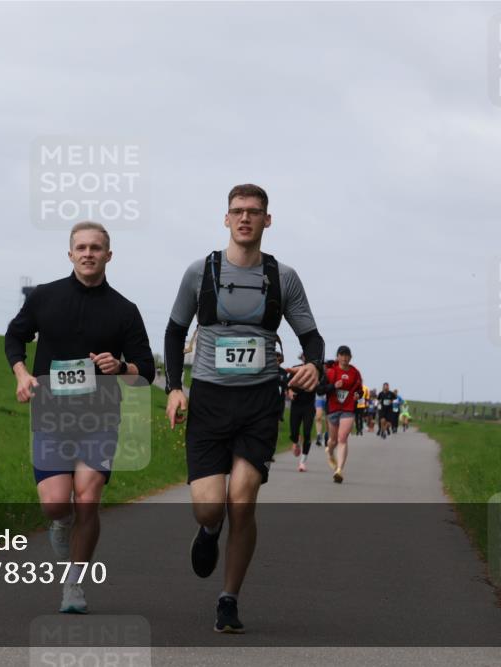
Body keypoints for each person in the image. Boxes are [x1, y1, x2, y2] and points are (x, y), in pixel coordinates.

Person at [163, 184, 324, 633]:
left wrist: (314, 365)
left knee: (242, 500)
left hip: (259, 402)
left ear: (267, 220)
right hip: (209, 401)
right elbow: (175, 332)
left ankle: (228, 599)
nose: (245, 218)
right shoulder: (200, 272)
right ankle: (209, 531)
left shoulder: (283, 277)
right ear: (226, 218)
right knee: (209, 508)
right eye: (237, 211)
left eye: (254, 212)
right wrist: (174, 388)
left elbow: (311, 336)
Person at [4, 221, 155, 614]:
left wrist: (120, 367)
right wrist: (21, 374)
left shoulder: (124, 310)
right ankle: (60, 523)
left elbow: (146, 371)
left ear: (109, 255)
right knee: (57, 505)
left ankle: (74, 584)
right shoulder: (45, 297)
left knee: (88, 499)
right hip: (51, 416)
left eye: (96, 248)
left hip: (99, 419)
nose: (89, 254)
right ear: (70, 254)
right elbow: (14, 337)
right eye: (82, 248)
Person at [320, 346, 363, 483]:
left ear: (350, 357)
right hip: (333, 408)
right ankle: (330, 451)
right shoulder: (330, 371)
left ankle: (339, 470)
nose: (344, 358)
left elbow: (360, 390)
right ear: (337, 357)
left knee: (342, 438)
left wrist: (358, 394)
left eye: (347, 355)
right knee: (333, 440)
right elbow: (320, 390)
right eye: (342, 355)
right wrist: (333, 386)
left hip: (348, 408)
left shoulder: (355, 373)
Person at [288, 354, 315, 472]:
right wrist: (289, 391)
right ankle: (296, 441)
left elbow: (321, 387)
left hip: (309, 406)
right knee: (294, 432)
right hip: (296, 405)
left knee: (307, 433)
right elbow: (287, 384)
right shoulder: (295, 369)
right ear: (302, 358)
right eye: (305, 356)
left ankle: (303, 462)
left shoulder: (315, 372)